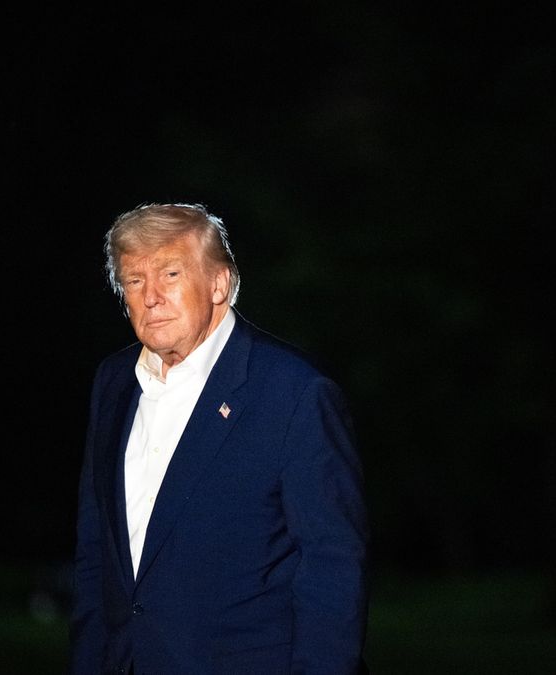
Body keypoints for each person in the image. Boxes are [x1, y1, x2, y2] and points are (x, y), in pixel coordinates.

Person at [70, 203, 370, 674]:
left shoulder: (294, 392)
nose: (150, 297)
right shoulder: (113, 383)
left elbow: (332, 568)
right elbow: (95, 557)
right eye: (133, 280)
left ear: (219, 285)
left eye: (170, 274)